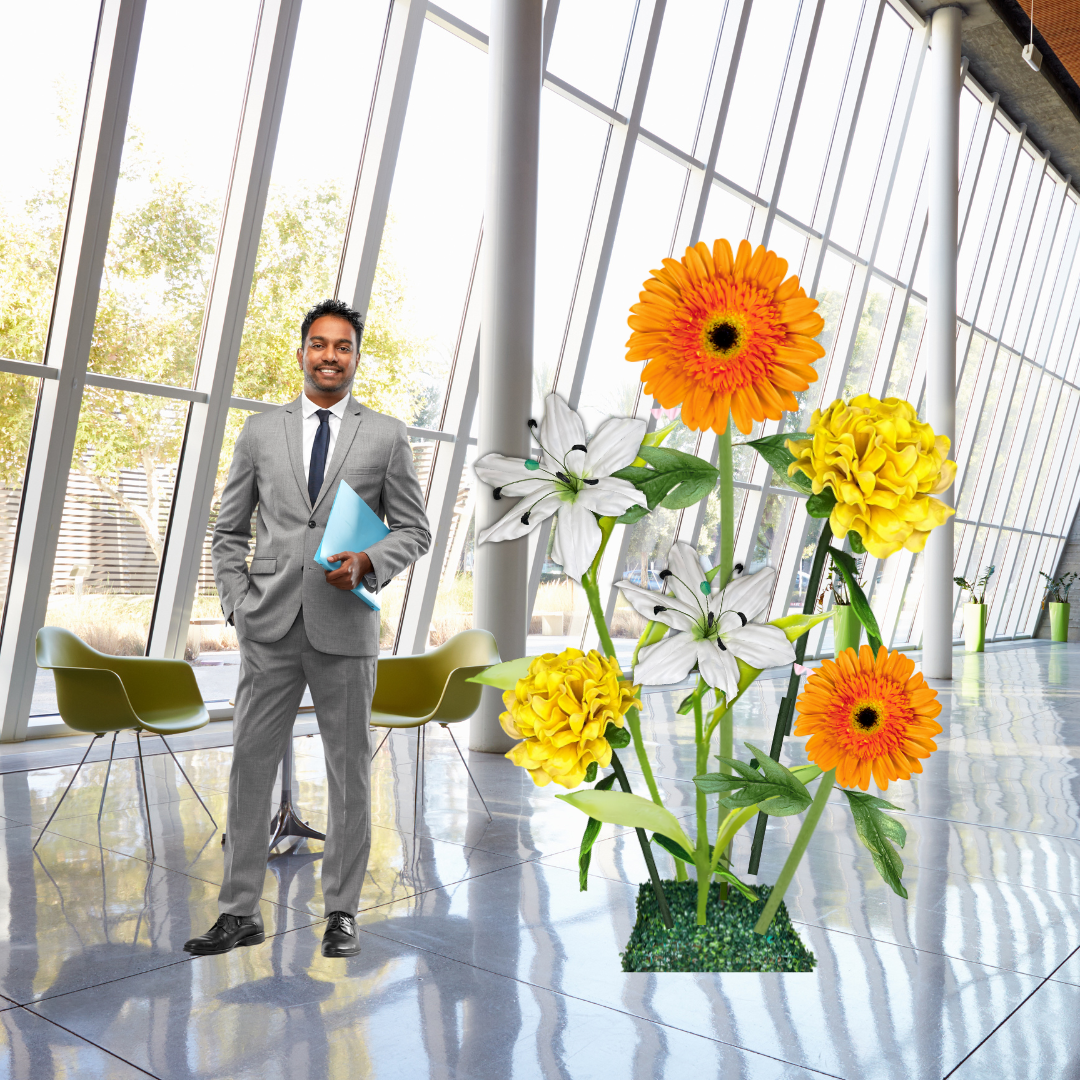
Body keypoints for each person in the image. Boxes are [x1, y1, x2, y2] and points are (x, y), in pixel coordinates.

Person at [184, 298, 431, 958]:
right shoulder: (260, 433)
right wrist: (238, 604)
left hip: (345, 630)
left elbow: (415, 528)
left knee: (350, 774)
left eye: (342, 347)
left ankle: (342, 912)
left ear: (355, 357)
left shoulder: (385, 435)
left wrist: (373, 560)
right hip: (268, 627)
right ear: (301, 352)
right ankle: (239, 912)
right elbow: (228, 532)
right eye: (319, 344)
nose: (330, 356)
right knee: (248, 770)